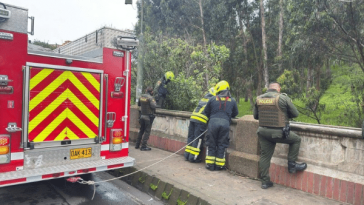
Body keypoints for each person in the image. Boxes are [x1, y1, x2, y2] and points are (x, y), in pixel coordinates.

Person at [253, 82, 307, 189]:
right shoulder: (282, 98)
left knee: (264, 156)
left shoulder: (259, 99)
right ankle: (292, 166)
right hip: (278, 132)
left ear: (269, 89)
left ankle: (265, 182)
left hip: (263, 132)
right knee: (296, 140)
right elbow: (295, 114)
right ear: (278, 89)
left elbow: (255, 116)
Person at [204, 81, 239, 171]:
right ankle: (219, 165)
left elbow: (206, 111)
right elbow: (235, 113)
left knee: (211, 143)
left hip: (212, 123)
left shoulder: (212, 99)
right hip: (225, 124)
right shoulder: (232, 100)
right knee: (222, 144)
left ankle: (210, 165)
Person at [184, 87, 216, 163]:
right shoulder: (212, 100)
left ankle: (187, 155)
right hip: (200, 121)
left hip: (192, 118)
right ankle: (193, 158)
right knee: (197, 139)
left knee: (191, 137)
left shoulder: (203, 99)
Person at [136, 87, 157, 151]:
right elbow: (154, 106)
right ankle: (143, 146)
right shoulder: (151, 98)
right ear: (151, 92)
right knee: (147, 131)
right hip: (148, 117)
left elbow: (139, 104)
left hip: (142, 116)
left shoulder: (141, 97)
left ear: (146, 90)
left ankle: (137, 145)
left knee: (141, 130)